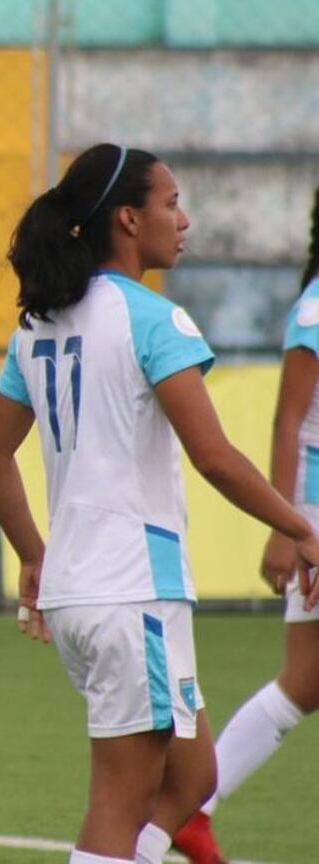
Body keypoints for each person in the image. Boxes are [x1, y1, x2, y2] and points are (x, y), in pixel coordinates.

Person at [0, 143, 319, 864]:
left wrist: (35, 557)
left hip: (84, 589)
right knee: (120, 800)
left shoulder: (37, 325)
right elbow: (214, 456)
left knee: (193, 775)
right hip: (132, 589)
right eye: (171, 204)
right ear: (128, 219)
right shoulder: (154, 319)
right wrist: (300, 527)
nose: (183, 220)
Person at [172, 187, 319, 864]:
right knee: (303, 680)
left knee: (307, 682)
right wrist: (287, 529)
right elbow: (289, 420)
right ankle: (183, 811)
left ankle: (188, 811)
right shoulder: (317, 306)